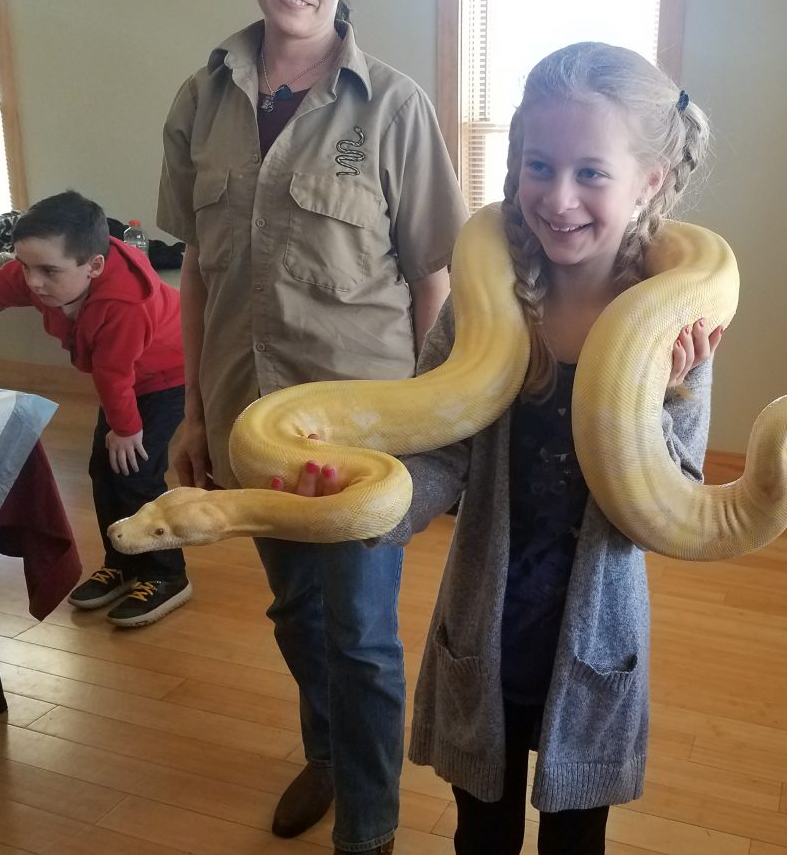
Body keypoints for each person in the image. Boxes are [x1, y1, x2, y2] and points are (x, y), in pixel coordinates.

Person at [287, 41, 719, 855]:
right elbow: (437, 453)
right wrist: (366, 503)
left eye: (592, 172)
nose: (557, 198)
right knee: (479, 832)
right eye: (537, 165)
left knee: (574, 839)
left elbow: (676, 501)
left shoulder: (676, 330)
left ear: (649, 181)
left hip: (592, 645)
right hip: (483, 630)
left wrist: (662, 399)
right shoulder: (482, 309)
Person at [155, 0, 466, 853]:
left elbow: (431, 279)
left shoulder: (394, 107)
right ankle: (326, 755)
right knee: (298, 614)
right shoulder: (199, 99)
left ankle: (367, 829)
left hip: (363, 438)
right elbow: (199, 279)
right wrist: (196, 412)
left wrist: (424, 425)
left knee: (362, 636)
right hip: (247, 418)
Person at [0, 191, 189, 627]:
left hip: (166, 377)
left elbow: (113, 374)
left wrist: (126, 428)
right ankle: (122, 558)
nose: (33, 281)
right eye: (24, 265)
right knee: (103, 469)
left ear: (93, 265)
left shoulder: (123, 303)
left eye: (48, 271)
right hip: (123, 382)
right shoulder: (48, 274)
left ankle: (166, 575)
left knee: (136, 474)